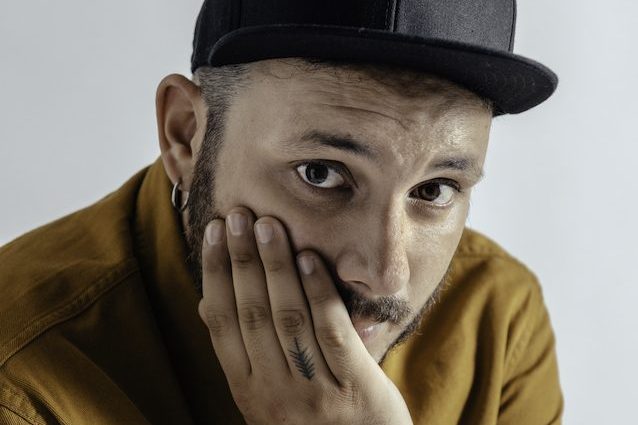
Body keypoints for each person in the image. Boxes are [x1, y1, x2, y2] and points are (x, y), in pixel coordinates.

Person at [0, 0, 564, 424]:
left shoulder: (497, 319)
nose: (385, 274)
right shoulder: (21, 387)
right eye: (320, 173)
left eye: (435, 190)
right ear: (187, 136)